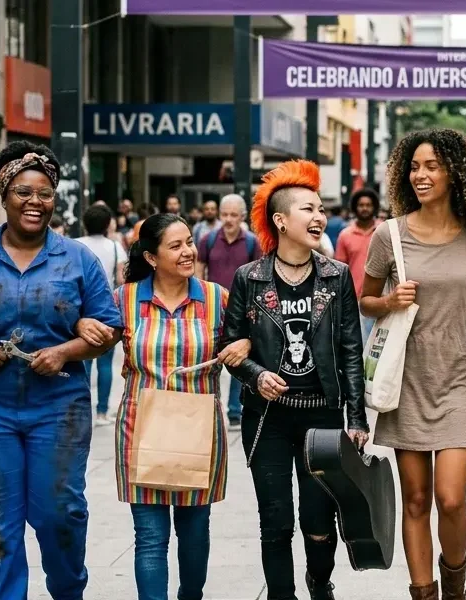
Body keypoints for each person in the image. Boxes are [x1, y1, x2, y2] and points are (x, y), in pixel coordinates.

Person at [0, 141, 123, 600]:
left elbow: (110, 329)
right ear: (4, 195)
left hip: (59, 407)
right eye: (22, 192)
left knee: (61, 512)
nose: (35, 201)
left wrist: (67, 352)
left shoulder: (78, 260)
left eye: (45, 193)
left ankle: (68, 587)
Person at [359, 129, 466, 600]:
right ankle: (423, 591)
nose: (420, 175)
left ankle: (455, 581)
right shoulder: (390, 234)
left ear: (455, 172)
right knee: (416, 499)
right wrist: (390, 301)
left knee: (451, 498)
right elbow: (365, 301)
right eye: (415, 167)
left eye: (432, 166)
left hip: (459, 378)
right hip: (407, 380)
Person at [220, 160, 369, 600]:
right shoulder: (249, 279)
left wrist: (356, 418)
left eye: (321, 208)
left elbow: (350, 350)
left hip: (321, 419)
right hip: (266, 419)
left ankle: (320, 583)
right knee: (276, 521)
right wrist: (256, 373)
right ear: (281, 220)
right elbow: (230, 348)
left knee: (319, 523)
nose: (319, 216)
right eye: (308, 208)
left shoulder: (335, 275)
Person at [100, 213, 245, 600]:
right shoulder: (124, 299)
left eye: (189, 243)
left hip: (199, 427)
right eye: (176, 245)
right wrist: (84, 329)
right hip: (140, 425)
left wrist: (245, 343)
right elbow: (96, 342)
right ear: (151, 257)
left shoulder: (217, 298)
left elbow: (250, 339)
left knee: (195, 530)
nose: (188, 252)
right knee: (149, 537)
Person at [199, 193, 262, 430]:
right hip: (212, 309)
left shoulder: (251, 242)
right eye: (224, 214)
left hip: (241, 310)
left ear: (243, 217)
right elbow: (198, 270)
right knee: (207, 358)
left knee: (237, 359)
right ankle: (206, 405)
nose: (228, 219)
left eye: (233, 215)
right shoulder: (208, 239)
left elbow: (258, 275)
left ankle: (234, 411)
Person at [75, 203, 128, 426]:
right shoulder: (115, 247)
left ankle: (82, 407)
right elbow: (121, 279)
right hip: (105, 309)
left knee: (82, 361)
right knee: (105, 363)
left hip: (79, 310)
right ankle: (102, 412)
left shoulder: (76, 245)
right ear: (107, 224)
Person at [334, 188, 382, 340]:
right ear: (355, 207)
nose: (365, 208)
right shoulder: (345, 235)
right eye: (361, 205)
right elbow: (339, 269)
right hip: (354, 301)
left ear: (374, 207)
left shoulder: (384, 231)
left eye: (368, 205)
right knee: (358, 346)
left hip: (382, 299)